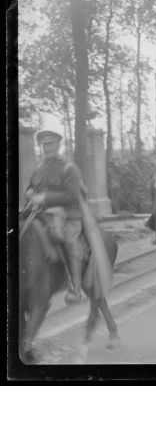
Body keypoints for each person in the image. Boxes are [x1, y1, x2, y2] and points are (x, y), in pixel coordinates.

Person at [24, 129, 85, 304]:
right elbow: (29, 188)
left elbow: (72, 195)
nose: (47, 148)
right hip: (40, 213)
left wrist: (45, 197)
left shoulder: (69, 168)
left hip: (67, 215)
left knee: (68, 241)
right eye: (44, 145)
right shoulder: (39, 168)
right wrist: (29, 193)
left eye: (50, 144)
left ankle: (75, 287)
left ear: (58, 145)